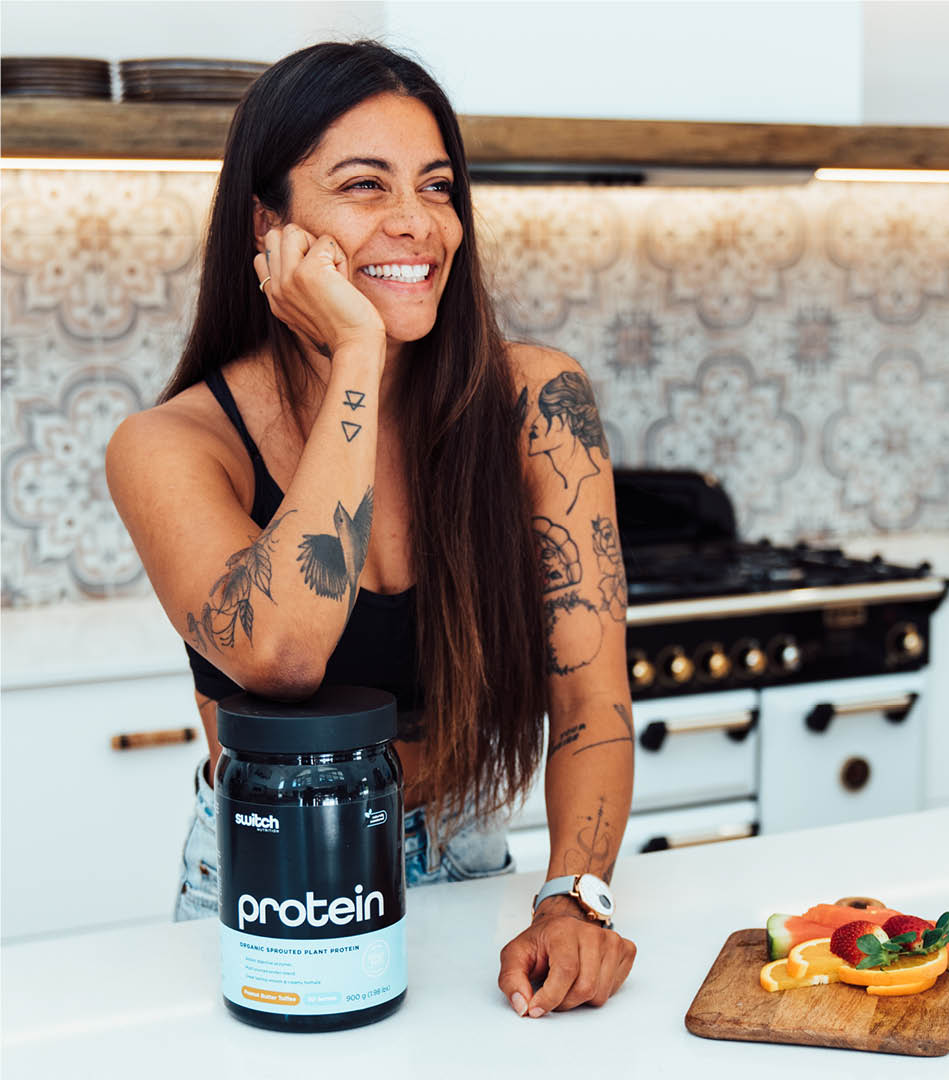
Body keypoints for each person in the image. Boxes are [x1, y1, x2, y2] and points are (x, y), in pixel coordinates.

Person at [107, 39, 636, 1018]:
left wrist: (575, 898)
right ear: (269, 229)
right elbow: (283, 654)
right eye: (364, 185)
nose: (414, 221)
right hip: (269, 877)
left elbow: (592, 704)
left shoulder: (537, 400)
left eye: (437, 187)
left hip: (473, 857)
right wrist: (358, 352)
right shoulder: (172, 445)